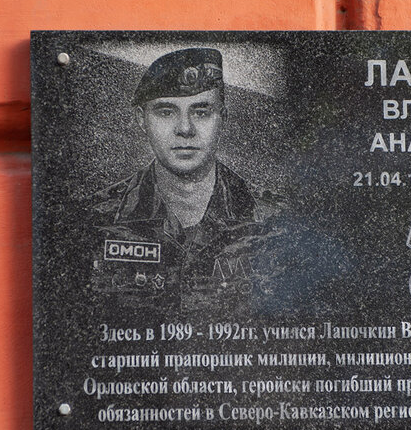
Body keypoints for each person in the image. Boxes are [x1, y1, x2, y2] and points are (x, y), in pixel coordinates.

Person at [92, 48, 282, 313]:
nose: (185, 129)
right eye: (166, 112)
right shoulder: (93, 219)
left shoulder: (277, 221)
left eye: (201, 112)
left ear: (222, 119)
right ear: (141, 120)